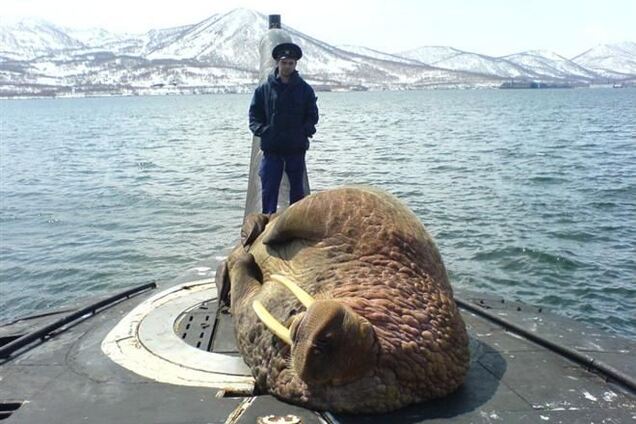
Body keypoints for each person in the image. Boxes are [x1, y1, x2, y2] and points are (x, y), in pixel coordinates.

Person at [248, 42, 319, 214]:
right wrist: (264, 131)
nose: (287, 66)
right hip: (272, 150)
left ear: (295, 65)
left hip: (295, 148)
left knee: (297, 189)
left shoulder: (305, 90)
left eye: (290, 63)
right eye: (284, 62)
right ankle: (268, 222)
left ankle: (296, 221)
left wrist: (305, 131)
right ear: (278, 63)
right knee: (269, 188)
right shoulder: (264, 90)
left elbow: (312, 115)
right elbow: (254, 116)